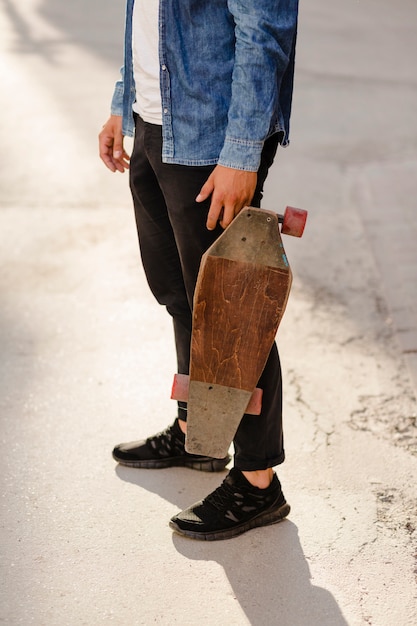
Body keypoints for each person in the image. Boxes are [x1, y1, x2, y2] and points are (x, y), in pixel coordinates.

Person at [99, 0, 299, 541]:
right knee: (178, 292)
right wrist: (125, 101)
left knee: (233, 311)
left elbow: (265, 28)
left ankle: (258, 482)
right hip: (153, 120)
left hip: (211, 136)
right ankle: (197, 432)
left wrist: (241, 153)